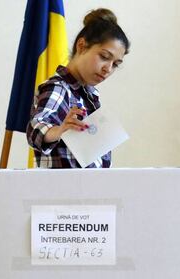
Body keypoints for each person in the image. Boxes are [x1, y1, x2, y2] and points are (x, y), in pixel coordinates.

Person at [27, 8, 130, 168]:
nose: (108, 69)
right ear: (81, 46)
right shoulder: (58, 87)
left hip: (90, 189)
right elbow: (36, 128)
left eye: (115, 64)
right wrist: (60, 130)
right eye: (104, 57)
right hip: (63, 191)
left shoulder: (91, 95)